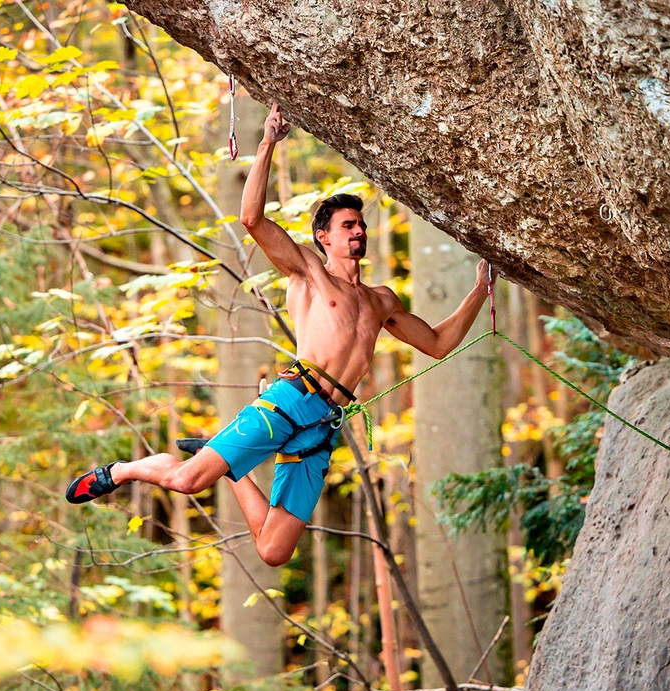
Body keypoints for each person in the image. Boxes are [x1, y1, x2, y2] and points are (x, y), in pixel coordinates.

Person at [67, 104, 495, 567]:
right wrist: (268, 142)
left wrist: (479, 290)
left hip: (325, 422)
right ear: (323, 237)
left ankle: (232, 469)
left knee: (274, 551)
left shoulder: (381, 300)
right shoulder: (307, 274)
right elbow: (252, 219)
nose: (359, 232)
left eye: (361, 225)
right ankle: (123, 471)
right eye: (348, 225)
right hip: (289, 399)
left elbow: (437, 343)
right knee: (189, 481)